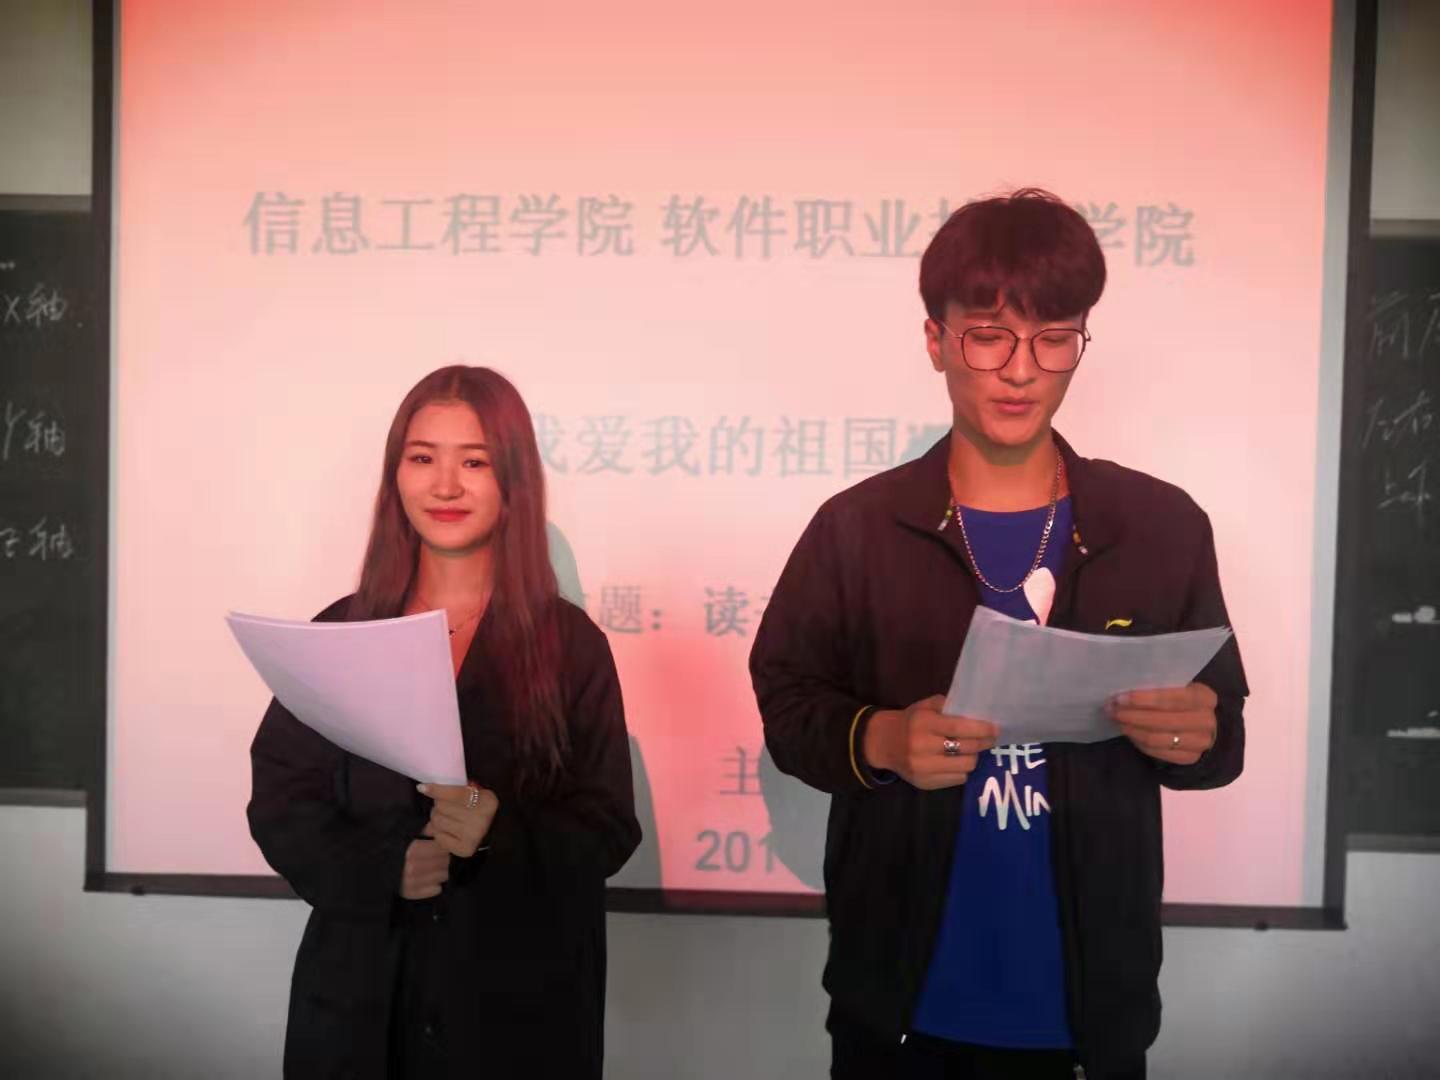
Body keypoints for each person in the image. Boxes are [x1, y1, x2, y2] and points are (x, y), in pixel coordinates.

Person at [749, 189, 1247, 1080]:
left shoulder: (1160, 526)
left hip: (1091, 1011)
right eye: (988, 336)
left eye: (1053, 337)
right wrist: (882, 738)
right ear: (936, 340)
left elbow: (1223, 733)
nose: (1021, 370)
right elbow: (787, 705)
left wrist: (1196, 735)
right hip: (898, 1006)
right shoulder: (858, 529)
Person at [248, 365, 640, 1079]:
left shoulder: (571, 644)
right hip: (361, 1011)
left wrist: (499, 831)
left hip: (516, 1018)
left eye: (475, 462)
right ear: (396, 476)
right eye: (423, 458)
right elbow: (281, 802)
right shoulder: (341, 631)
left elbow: (610, 827)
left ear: (514, 479)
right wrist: (381, 869)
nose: (446, 486)